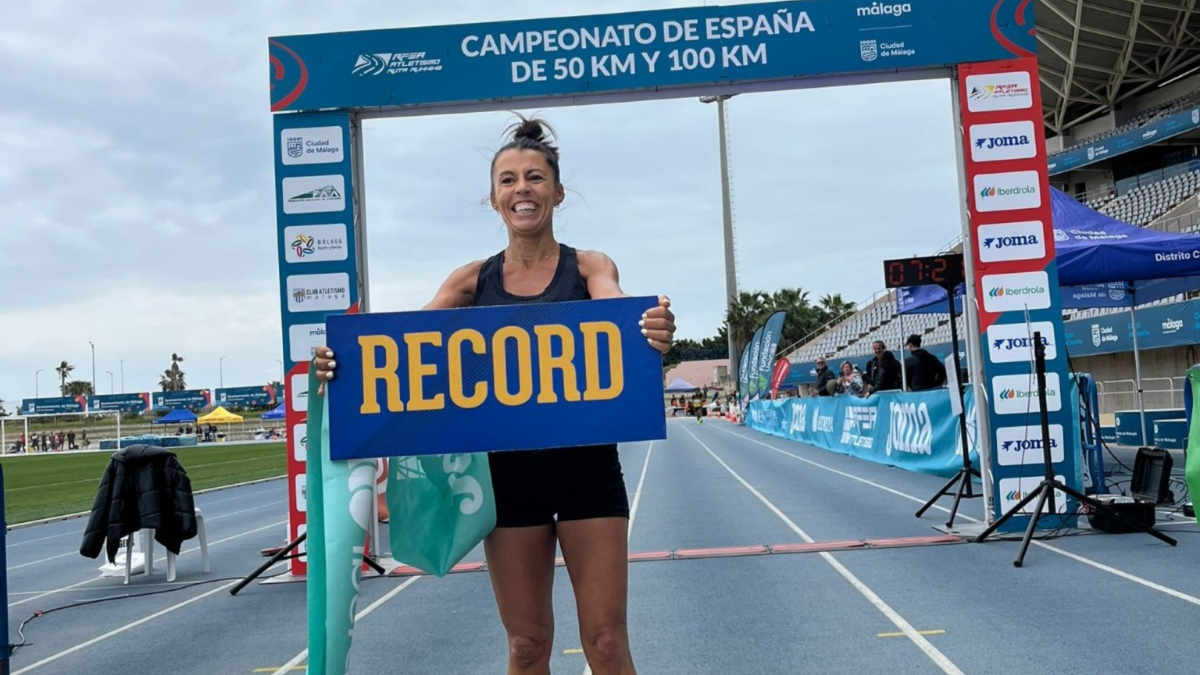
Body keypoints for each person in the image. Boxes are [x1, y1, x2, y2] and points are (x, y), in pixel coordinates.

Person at [313, 115, 675, 675]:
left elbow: (619, 310)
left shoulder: (590, 266)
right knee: (526, 647)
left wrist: (649, 328)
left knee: (605, 641)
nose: (522, 190)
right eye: (508, 181)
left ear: (557, 192)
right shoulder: (469, 281)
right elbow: (396, 346)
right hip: (507, 482)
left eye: (534, 178)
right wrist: (342, 364)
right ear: (493, 199)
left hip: (588, 472)